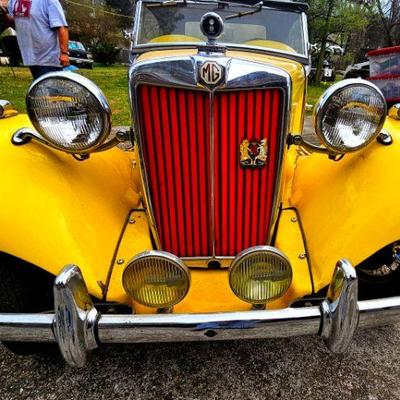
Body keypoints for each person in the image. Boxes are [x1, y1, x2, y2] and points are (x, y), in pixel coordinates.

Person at [0, 0, 69, 79]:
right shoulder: (14, 1)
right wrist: (5, 13)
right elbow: (17, 24)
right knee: (40, 85)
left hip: (48, 58)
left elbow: (62, 27)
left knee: (47, 85)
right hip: (30, 57)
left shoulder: (49, 1)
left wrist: (64, 53)